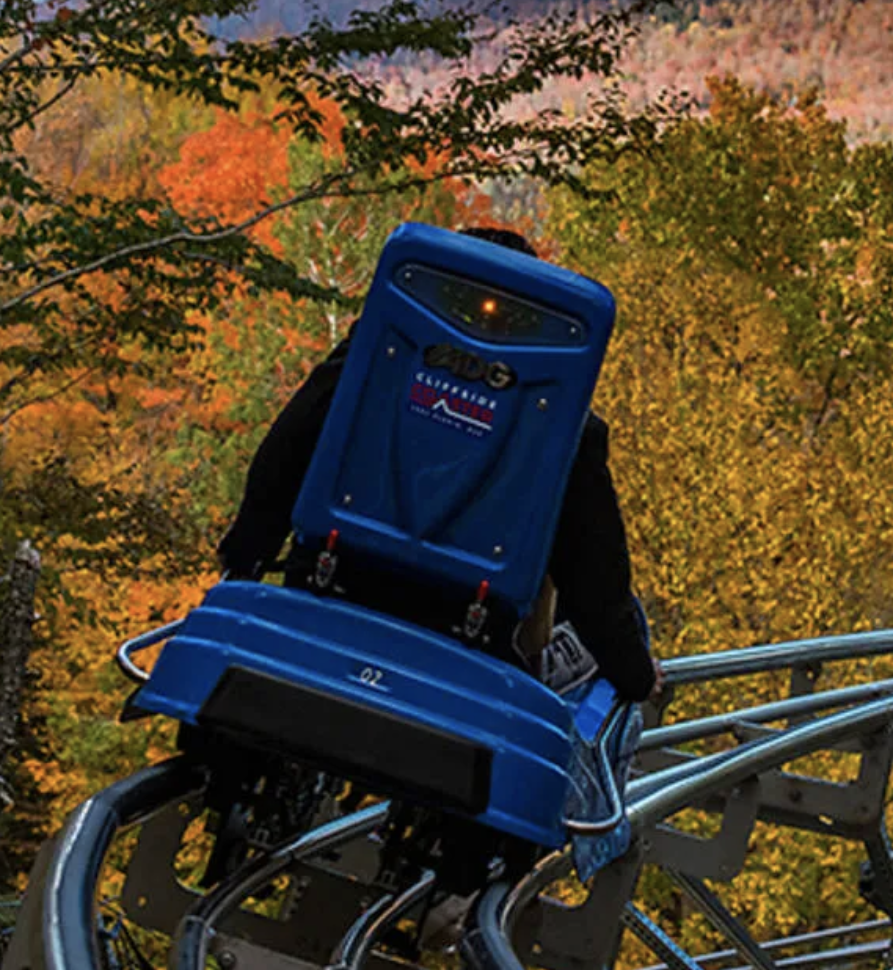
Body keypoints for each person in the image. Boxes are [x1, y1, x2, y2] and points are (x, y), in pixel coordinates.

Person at [214, 226, 660, 704]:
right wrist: (636, 677)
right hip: (470, 650)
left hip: (327, 591)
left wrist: (245, 557)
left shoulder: (368, 363)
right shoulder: (567, 425)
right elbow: (596, 578)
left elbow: (285, 452)